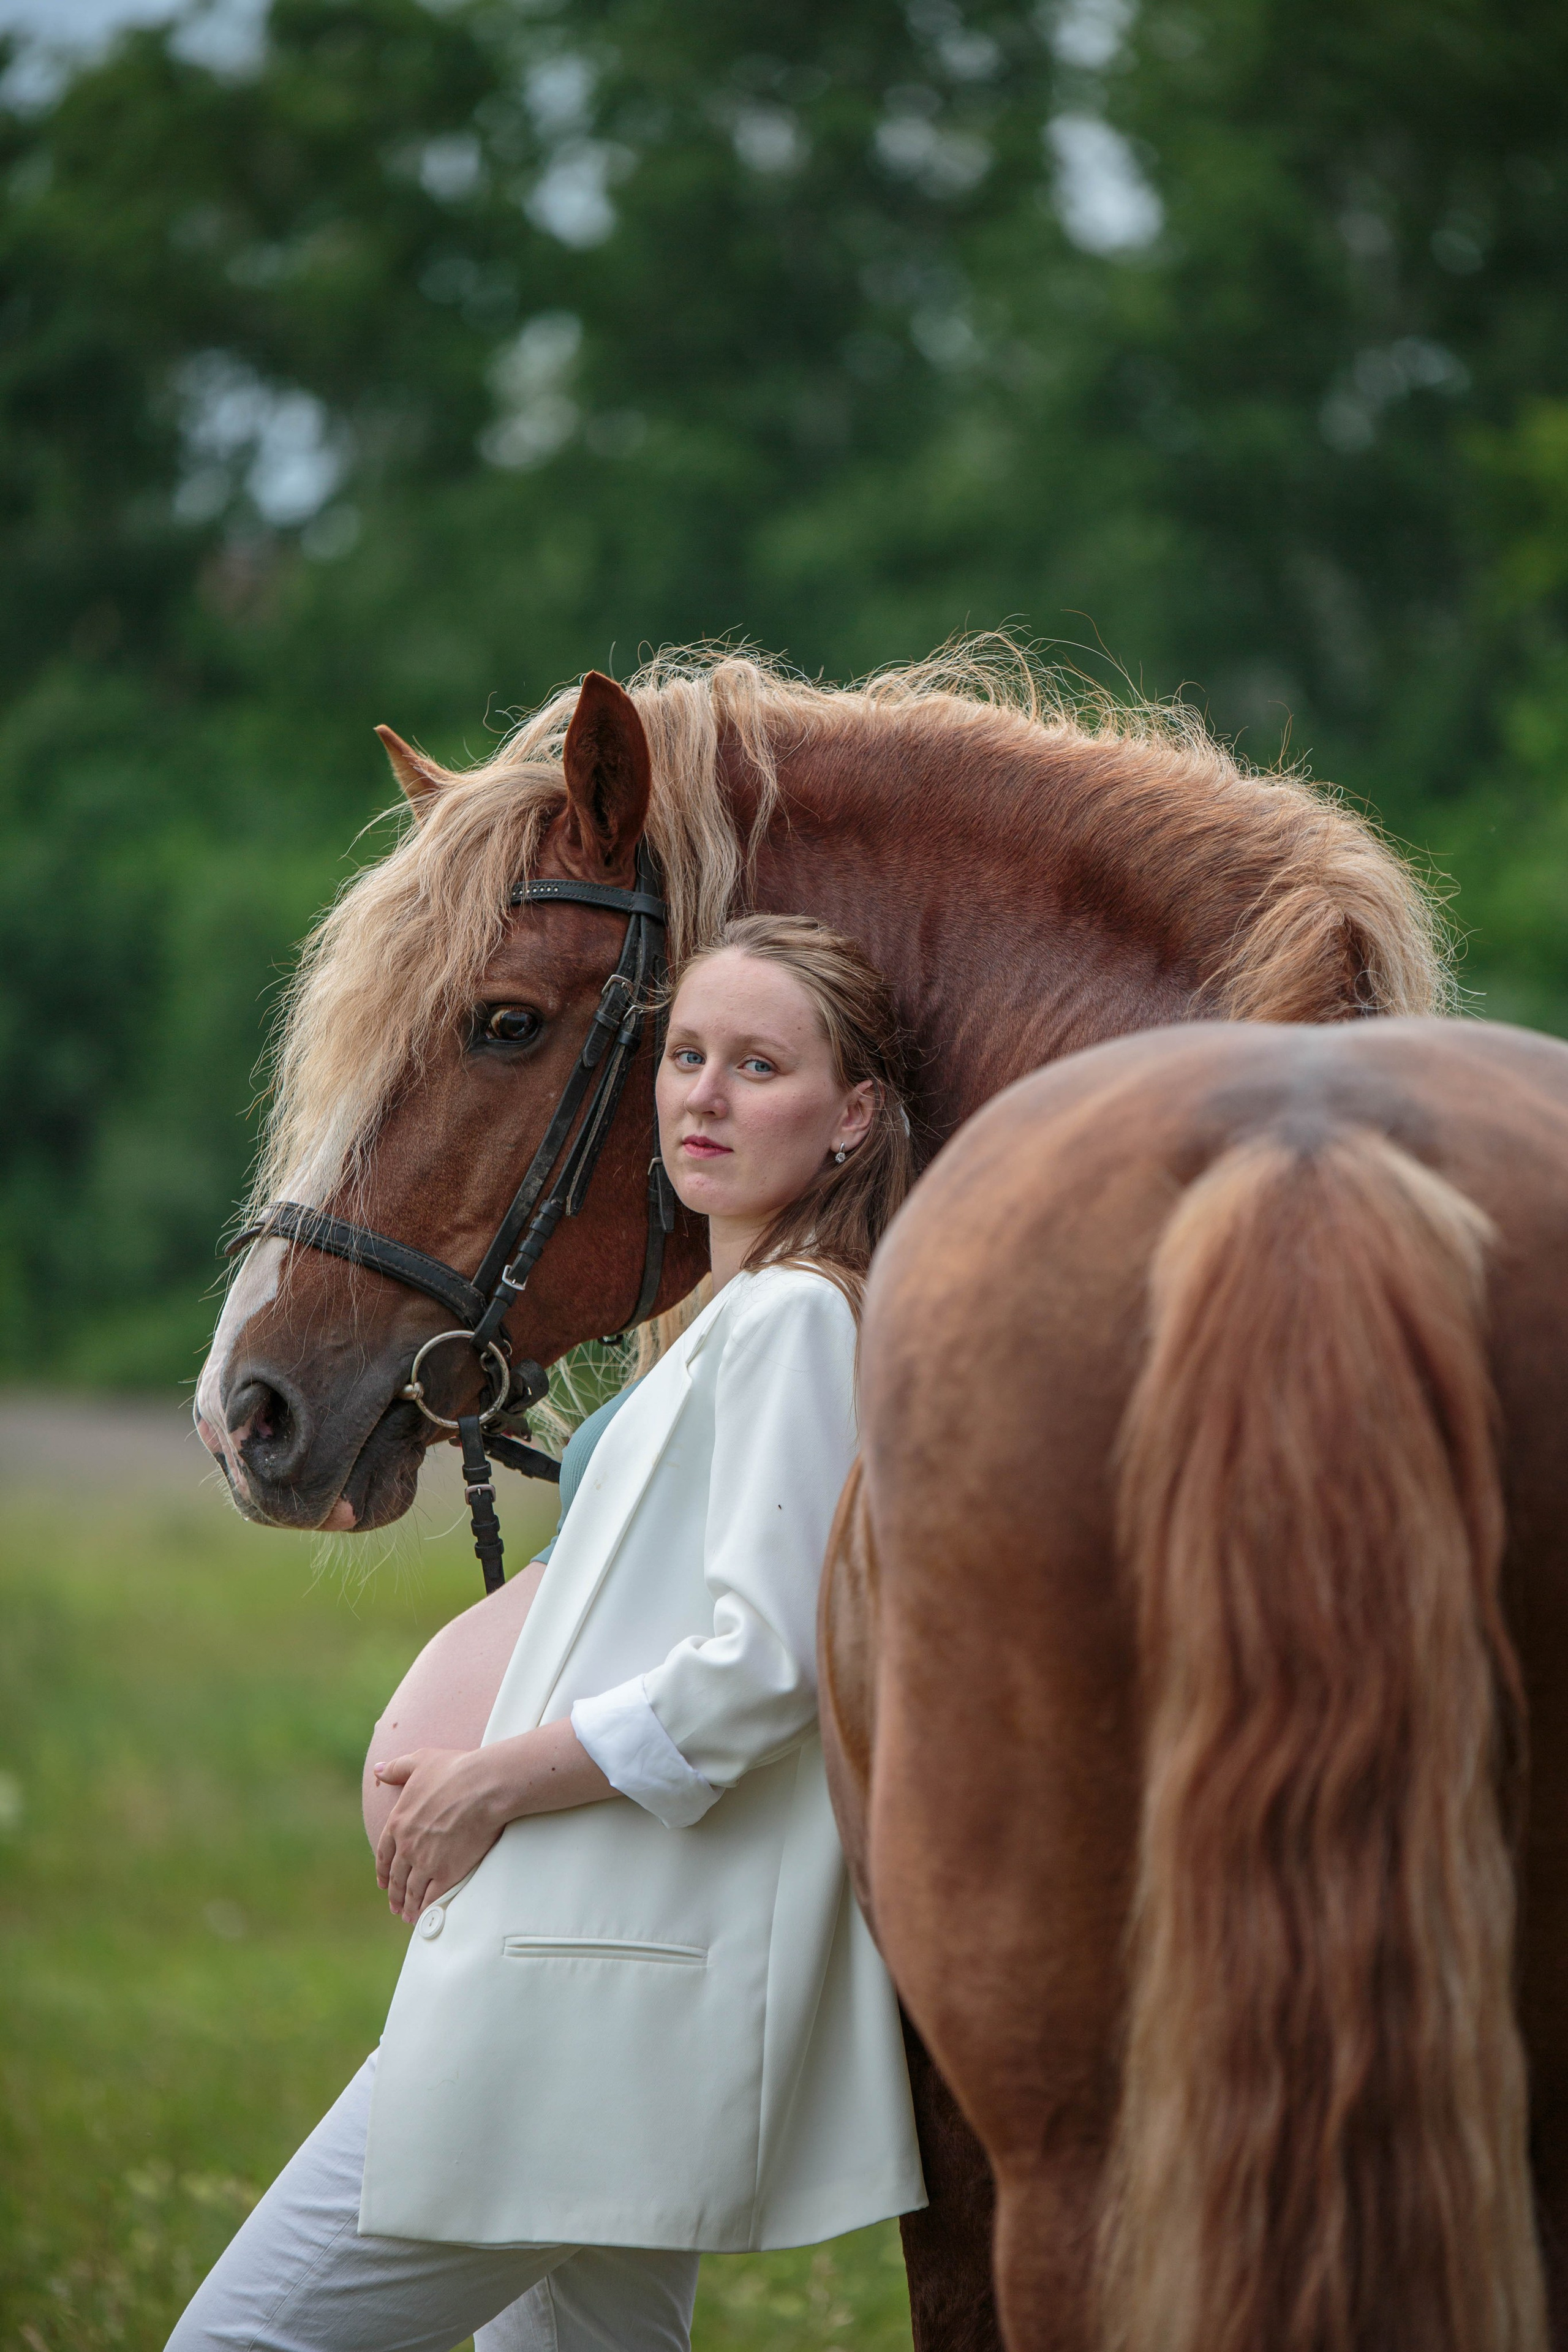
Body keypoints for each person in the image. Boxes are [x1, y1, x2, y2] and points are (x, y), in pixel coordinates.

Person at [167, 913, 927, 2352]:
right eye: (687, 1054)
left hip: (595, 1973)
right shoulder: (725, 1319)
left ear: (854, 1116)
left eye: (759, 1065)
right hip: (594, 1964)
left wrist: (486, 1782)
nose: (703, 1094)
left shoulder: (791, 1327)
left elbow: (765, 1662)